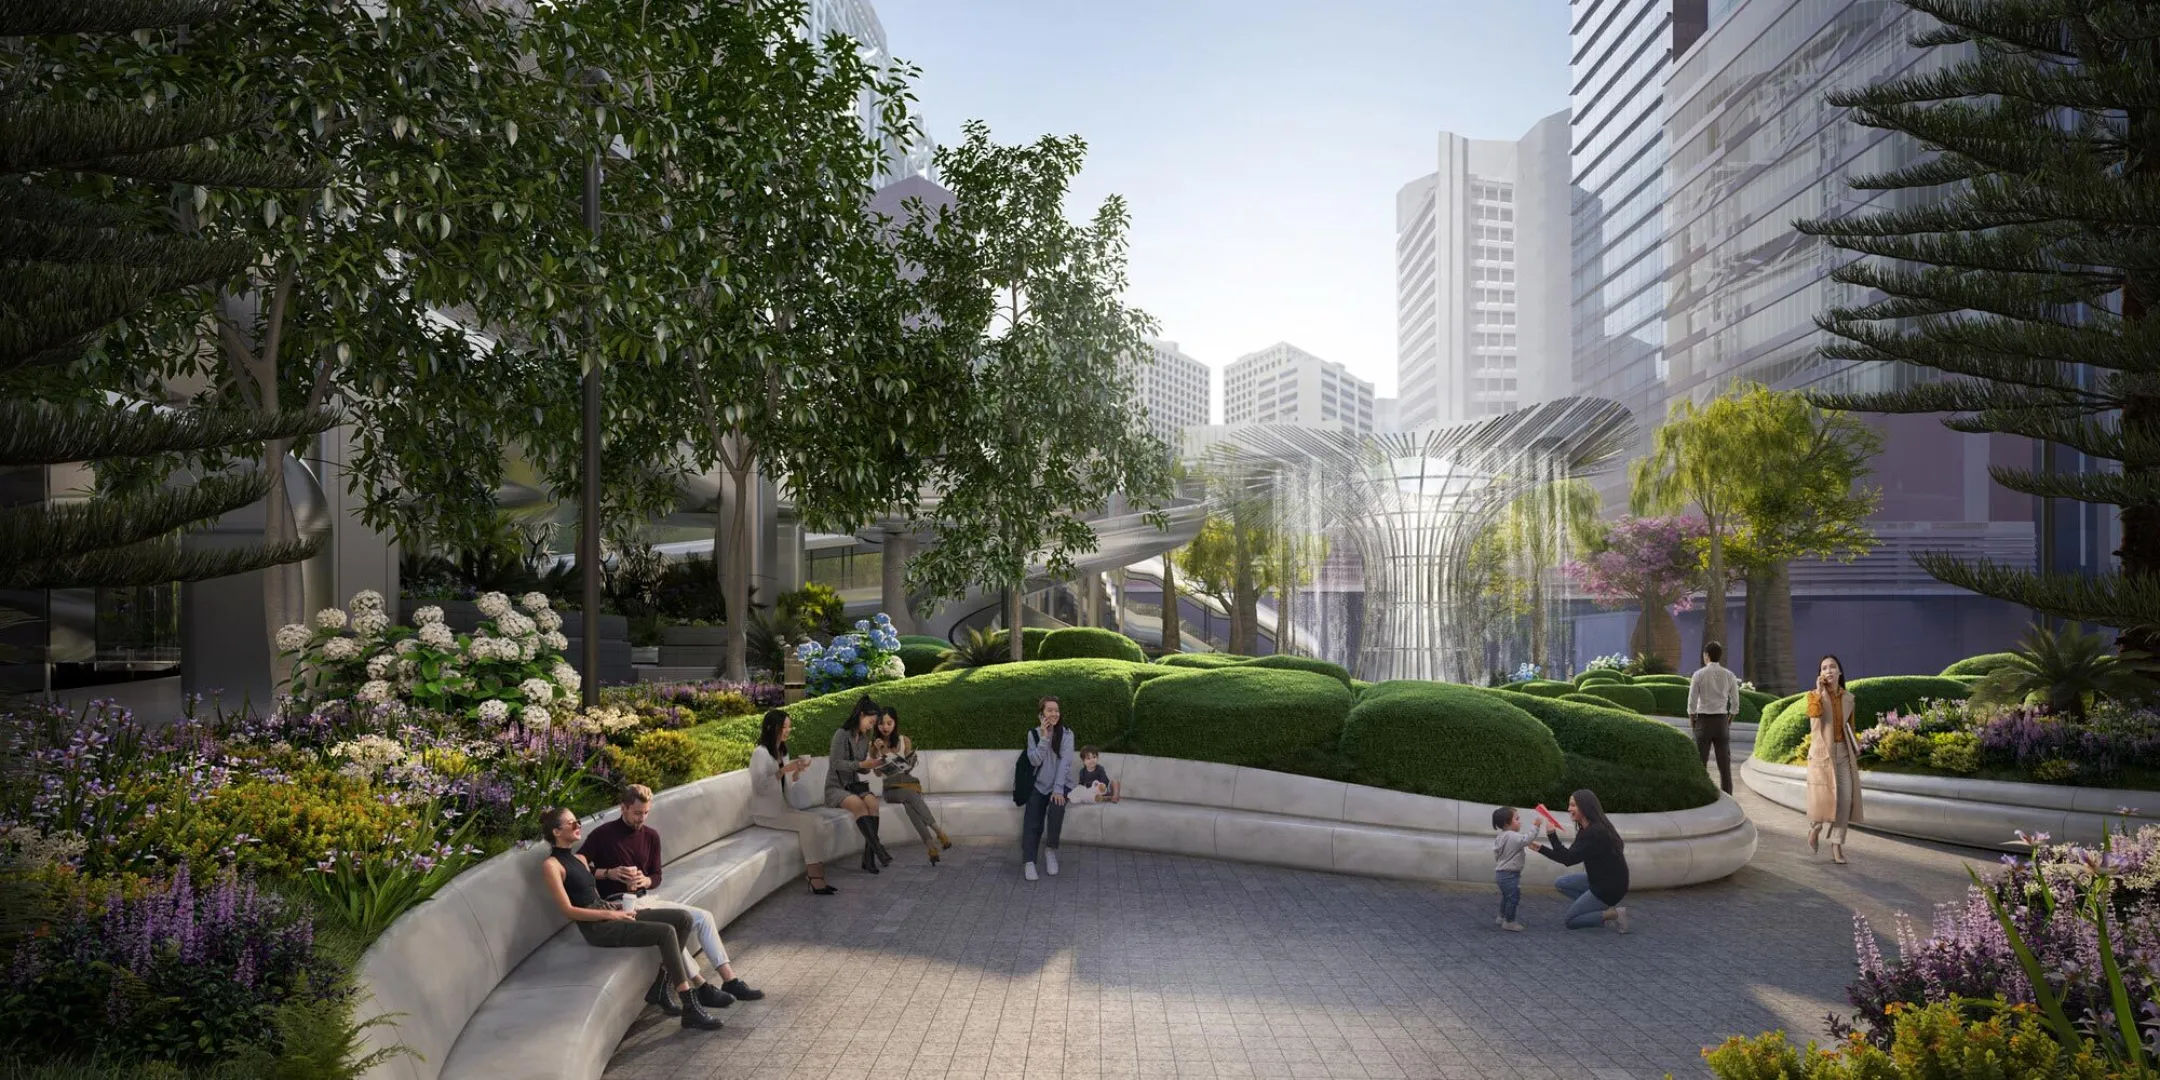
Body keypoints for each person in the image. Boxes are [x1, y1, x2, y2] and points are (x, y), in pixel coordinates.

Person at [580, 784, 765, 1014]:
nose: (642, 818)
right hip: (618, 903)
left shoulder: (651, 836)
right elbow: (578, 867)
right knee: (673, 927)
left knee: (703, 917)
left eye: (646, 812)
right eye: (637, 813)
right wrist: (609, 873)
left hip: (645, 897)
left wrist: (644, 881)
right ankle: (701, 985)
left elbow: (656, 876)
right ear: (623, 808)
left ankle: (730, 980)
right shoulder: (602, 835)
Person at [535, 807, 724, 1030]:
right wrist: (610, 914)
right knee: (665, 931)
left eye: (578, 821)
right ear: (557, 832)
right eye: (572, 823)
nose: (579, 826)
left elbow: (593, 895)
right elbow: (568, 910)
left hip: (611, 912)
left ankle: (661, 987)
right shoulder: (552, 866)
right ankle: (689, 1004)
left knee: (683, 918)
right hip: (597, 928)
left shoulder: (579, 860)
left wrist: (617, 906)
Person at [750, 709, 840, 894]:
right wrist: (783, 771)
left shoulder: (782, 751)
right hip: (766, 813)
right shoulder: (760, 753)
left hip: (783, 808)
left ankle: (815, 872)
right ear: (770, 727)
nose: (787, 731)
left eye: (789, 727)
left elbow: (786, 786)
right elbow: (760, 788)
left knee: (818, 821)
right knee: (809, 823)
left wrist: (796, 772)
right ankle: (815, 875)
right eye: (784, 727)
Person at [1535, 789, 1630, 934]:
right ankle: (1595, 911)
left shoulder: (1595, 832)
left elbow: (1567, 859)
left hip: (1608, 888)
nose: (1569, 809)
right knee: (1562, 883)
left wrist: (1552, 835)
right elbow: (1568, 856)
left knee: (1571, 921)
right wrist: (1540, 848)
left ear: (1585, 806)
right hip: (1600, 880)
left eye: (1573, 805)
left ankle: (1614, 914)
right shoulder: (1587, 829)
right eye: (1569, 805)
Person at [872, 705, 951, 864]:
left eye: (889, 723)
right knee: (910, 796)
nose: (885, 727)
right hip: (891, 790)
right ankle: (939, 831)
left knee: (910, 806)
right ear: (876, 725)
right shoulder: (873, 745)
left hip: (907, 785)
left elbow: (908, 768)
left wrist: (911, 760)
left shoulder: (904, 740)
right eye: (881, 723)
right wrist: (880, 753)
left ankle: (931, 848)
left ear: (895, 723)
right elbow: (878, 774)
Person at [1806, 654, 1864, 865]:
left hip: (1844, 754)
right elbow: (1813, 715)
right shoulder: (1814, 696)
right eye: (1824, 668)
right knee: (1823, 798)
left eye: (1832, 667)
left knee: (1845, 799)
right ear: (1820, 674)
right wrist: (1820, 692)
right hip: (1822, 753)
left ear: (1840, 672)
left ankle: (1836, 845)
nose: (1828, 671)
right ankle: (1815, 828)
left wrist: (1855, 746)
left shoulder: (1849, 698)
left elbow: (1851, 727)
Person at [826, 695, 893, 874]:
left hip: (854, 786)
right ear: (861, 715)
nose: (872, 726)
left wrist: (874, 763)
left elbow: (861, 768)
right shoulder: (841, 734)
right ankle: (879, 849)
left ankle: (868, 857)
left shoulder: (863, 739)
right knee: (858, 804)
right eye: (870, 722)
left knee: (873, 803)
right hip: (837, 788)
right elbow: (836, 763)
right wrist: (863, 764)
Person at [1020, 695, 1076, 882]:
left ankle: (1050, 850)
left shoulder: (1067, 734)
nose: (1054, 713)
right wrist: (1044, 738)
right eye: (1049, 710)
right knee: (1032, 821)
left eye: (1056, 710)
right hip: (1039, 785)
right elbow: (1035, 760)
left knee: (1056, 808)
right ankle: (1029, 862)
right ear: (1041, 714)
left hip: (1060, 785)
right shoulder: (1033, 734)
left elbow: (1065, 764)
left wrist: (1058, 789)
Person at [1687, 640, 1743, 794]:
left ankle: (1699, 795)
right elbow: (1735, 703)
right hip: (1721, 721)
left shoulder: (1698, 674)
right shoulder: (1729, 675)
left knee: (1700, 763)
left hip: (1703, 721)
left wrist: (1693, 722)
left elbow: (1691, 702)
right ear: (1720, 656)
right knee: (1724, 764)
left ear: (1706, 655)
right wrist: (1728, 721)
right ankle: (1728, 796)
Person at [1490, 806, 1539, 932]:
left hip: (1501, 873)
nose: (1520, 821)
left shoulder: (1501, 836)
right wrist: (1536, 826)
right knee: (1513, 897)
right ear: (1507, 823)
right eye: (1517, 819)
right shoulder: (1512, 835)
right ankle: (1509, 921)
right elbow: (1526, 839)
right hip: (1509, 874)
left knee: (1507, 896)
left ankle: (1501, 917)